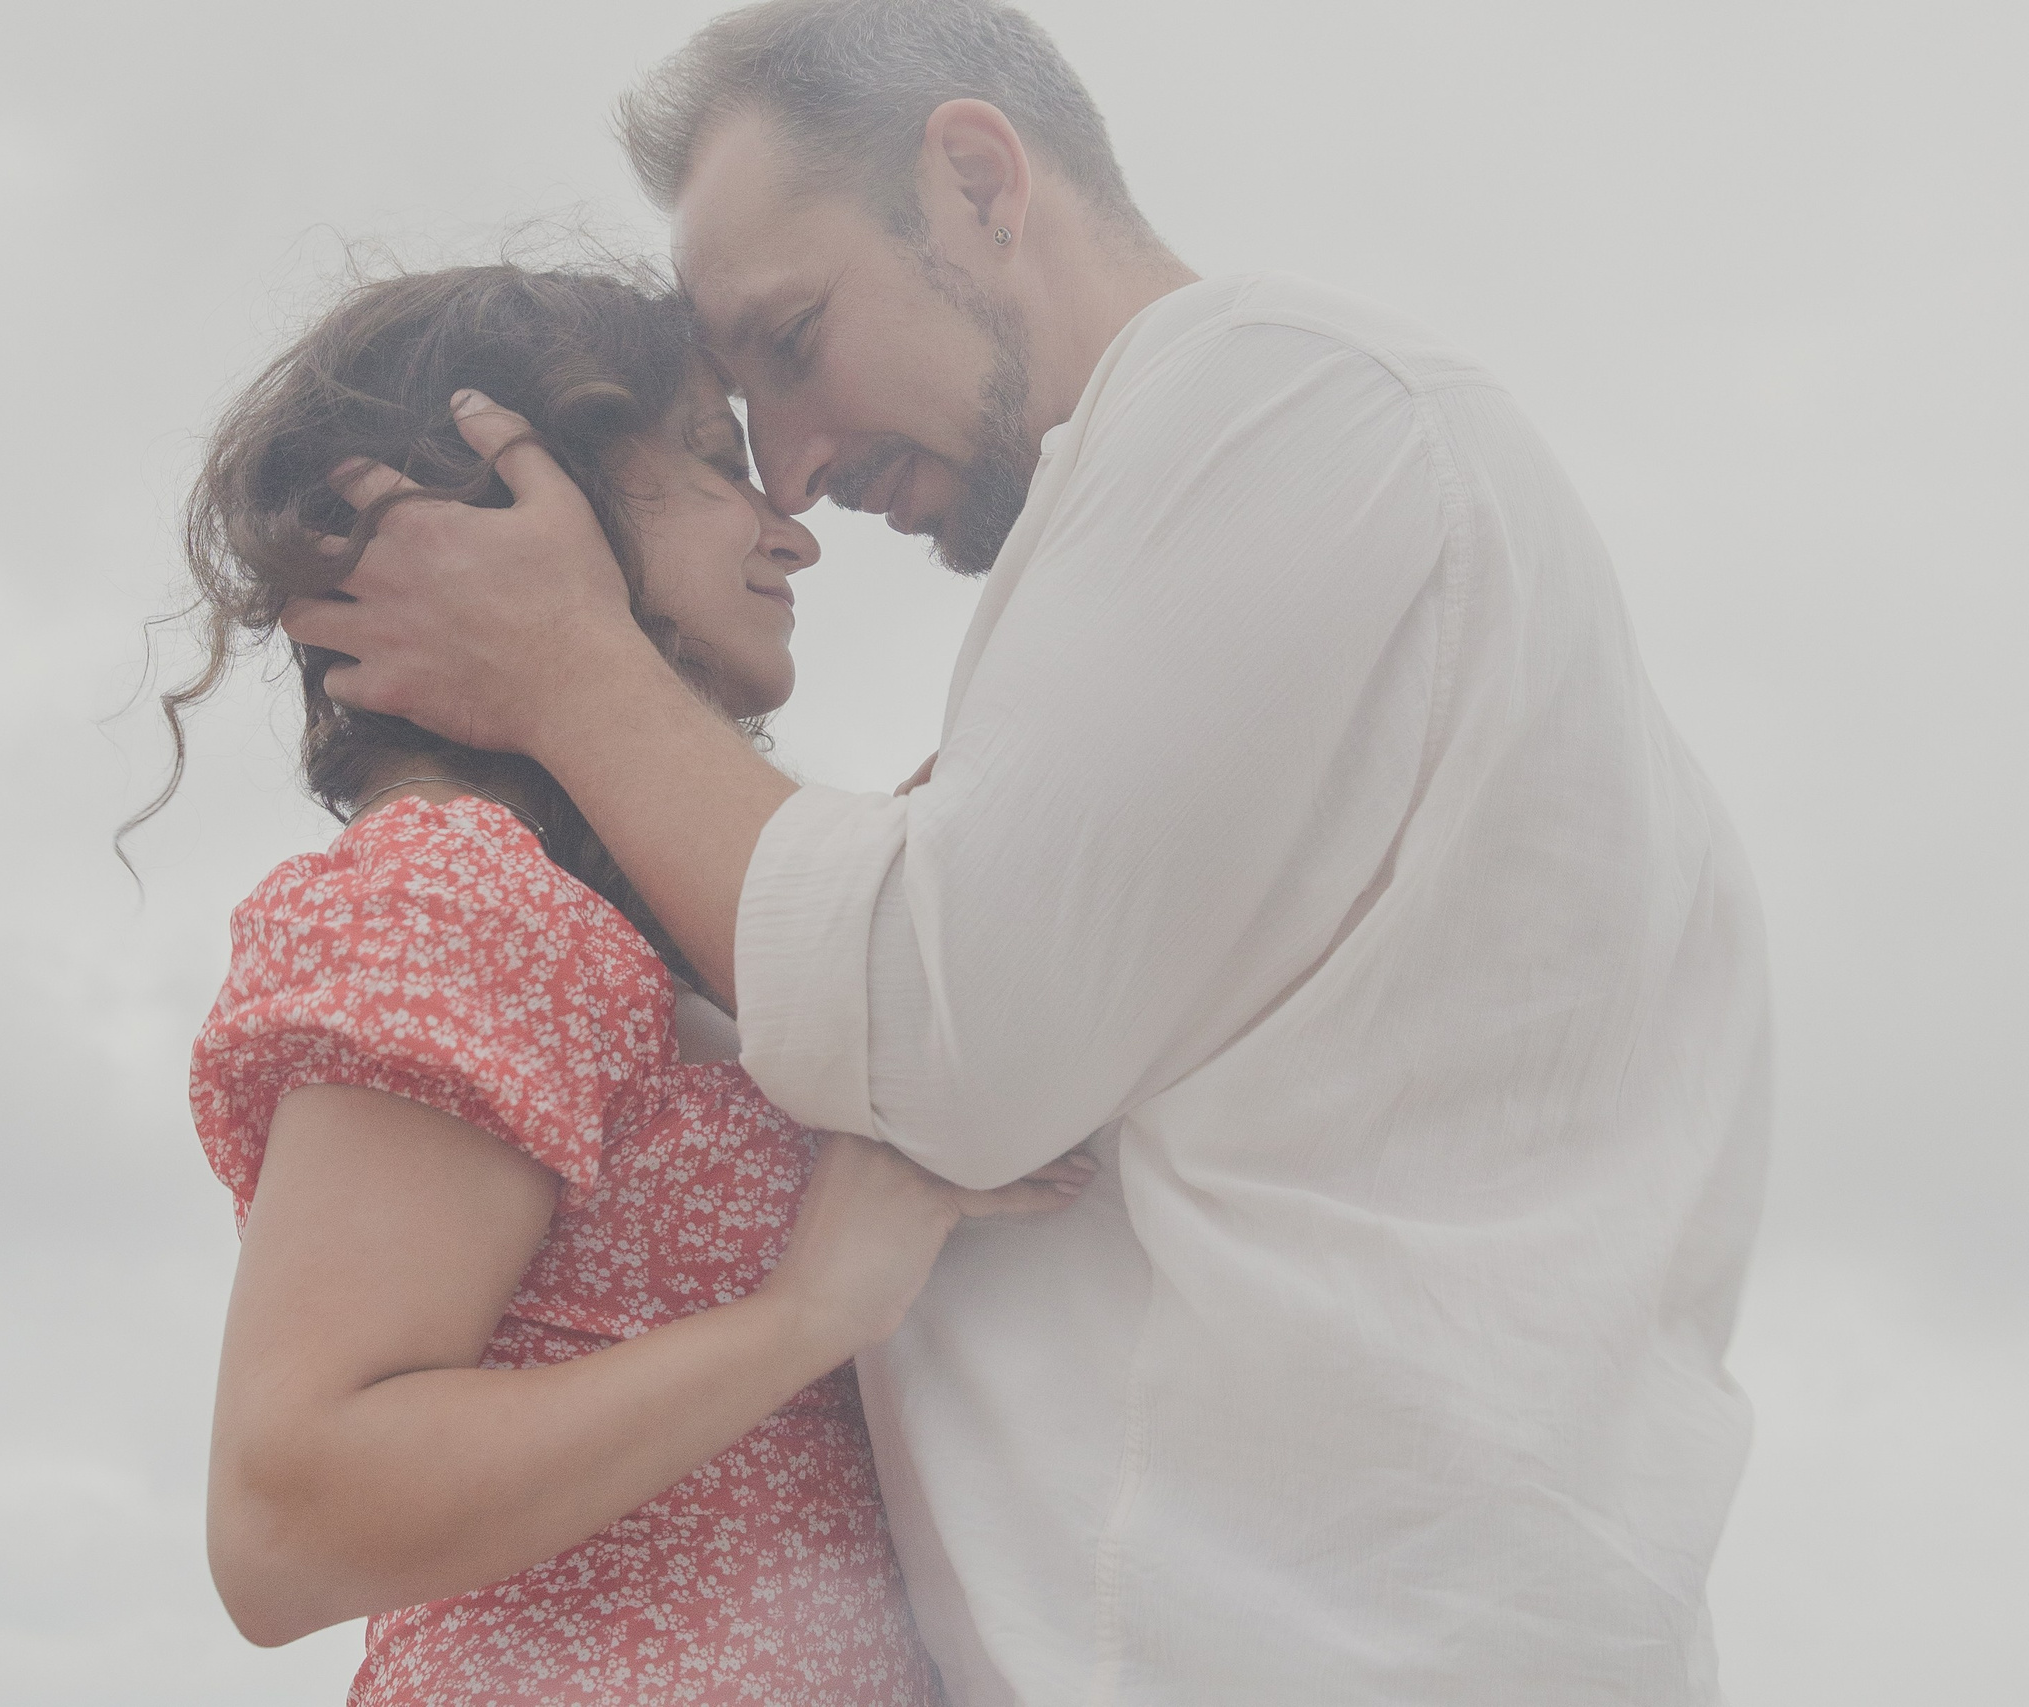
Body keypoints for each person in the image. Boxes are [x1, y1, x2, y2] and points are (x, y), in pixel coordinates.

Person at [279, 2, 1774, 1703]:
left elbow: (943, 1042)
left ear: (980, 181)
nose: (799, 471)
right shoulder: (1247, 505)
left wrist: (566, 665)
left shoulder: (1283, 404)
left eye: (792, 339)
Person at [152, 262, 1091, 1707]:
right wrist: (803, 1314)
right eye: (718, 466)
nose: (793, 536)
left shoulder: (631, 922)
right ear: (531, 508)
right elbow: (289, 1518)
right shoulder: (460, 892)